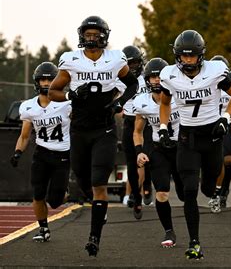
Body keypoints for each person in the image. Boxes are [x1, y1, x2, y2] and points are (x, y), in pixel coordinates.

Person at [48, 16, 139, 257]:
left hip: (105, 129)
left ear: (104, 36)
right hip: (79, 129)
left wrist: (119, 103)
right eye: (87, 34)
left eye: (94, 34)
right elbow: (53, 91)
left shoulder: (115, 59)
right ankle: (100, 208)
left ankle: (94, 238)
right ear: (81, 36)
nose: (90, 38)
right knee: (82, 177)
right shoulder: (71, 60)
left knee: (100, 180)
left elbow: (132, 85)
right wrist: (71, 96)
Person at [158, 30, 231, 260]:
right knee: (189, 190)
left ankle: (212, 191)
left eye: (191, 56)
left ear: (200, 56)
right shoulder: (169, 75)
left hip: (212, 134)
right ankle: (194, 242)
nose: (187, 60)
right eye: (183, 56)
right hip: (187, 137)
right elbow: (164, 103)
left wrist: (225, 118)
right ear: (177, 56)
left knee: (207, 187)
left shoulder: (214, 72)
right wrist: (164, 128)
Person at [10, 62, 71, 243]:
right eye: (42, 80)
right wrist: (18, 152)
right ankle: (43, 228)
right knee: (37, 193)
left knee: (55, 201)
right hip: (42, 153)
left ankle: (63, 191)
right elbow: (25, 135)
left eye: (49, 79)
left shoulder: (67, 104)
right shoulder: (28, 107)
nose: (45, 83)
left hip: (62, 154)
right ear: (37, 82)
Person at [133, 58, 184, 248]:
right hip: (158, 149)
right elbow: (137, 131)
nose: (156, 80)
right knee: (162, 192)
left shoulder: (179, 95)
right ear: (146, 80)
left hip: (180, 147)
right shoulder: (142, 102)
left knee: (185, 193)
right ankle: (169, 230)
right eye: (152, 77)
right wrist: (139, 151)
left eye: (159, 77)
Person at [119, 45, 152, 219]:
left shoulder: (148, 76)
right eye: (128, 63)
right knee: (132, 163)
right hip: (129, 121)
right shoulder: (119, 79)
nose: (131, 67)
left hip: (147, 122)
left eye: (134, 63)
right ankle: (136, 196)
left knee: (145, 159)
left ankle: (146, 186)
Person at [207, 55, 231, 213]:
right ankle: (216, 190)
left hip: (228, 124)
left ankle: (222, 190)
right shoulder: (205, 82)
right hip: (209, 124)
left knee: (226, 160)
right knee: (212, 161)